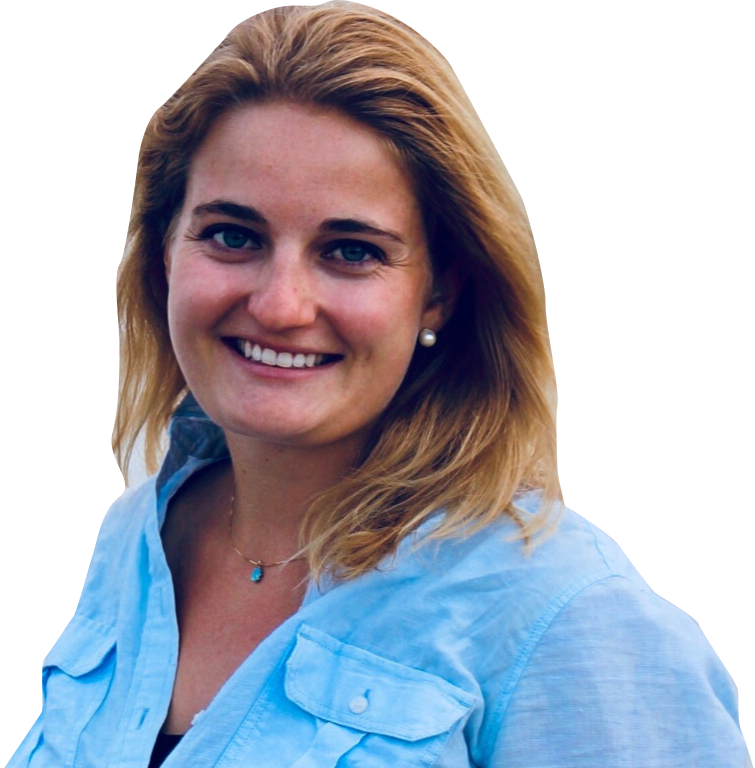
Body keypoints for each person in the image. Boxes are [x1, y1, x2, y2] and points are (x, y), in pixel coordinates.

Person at [9, 4, 747, 767]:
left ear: (438, 294)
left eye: (351, 251)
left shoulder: (560, 610)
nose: (280, 305)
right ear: (164, 254)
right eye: (232, 236)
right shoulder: (131, 541)